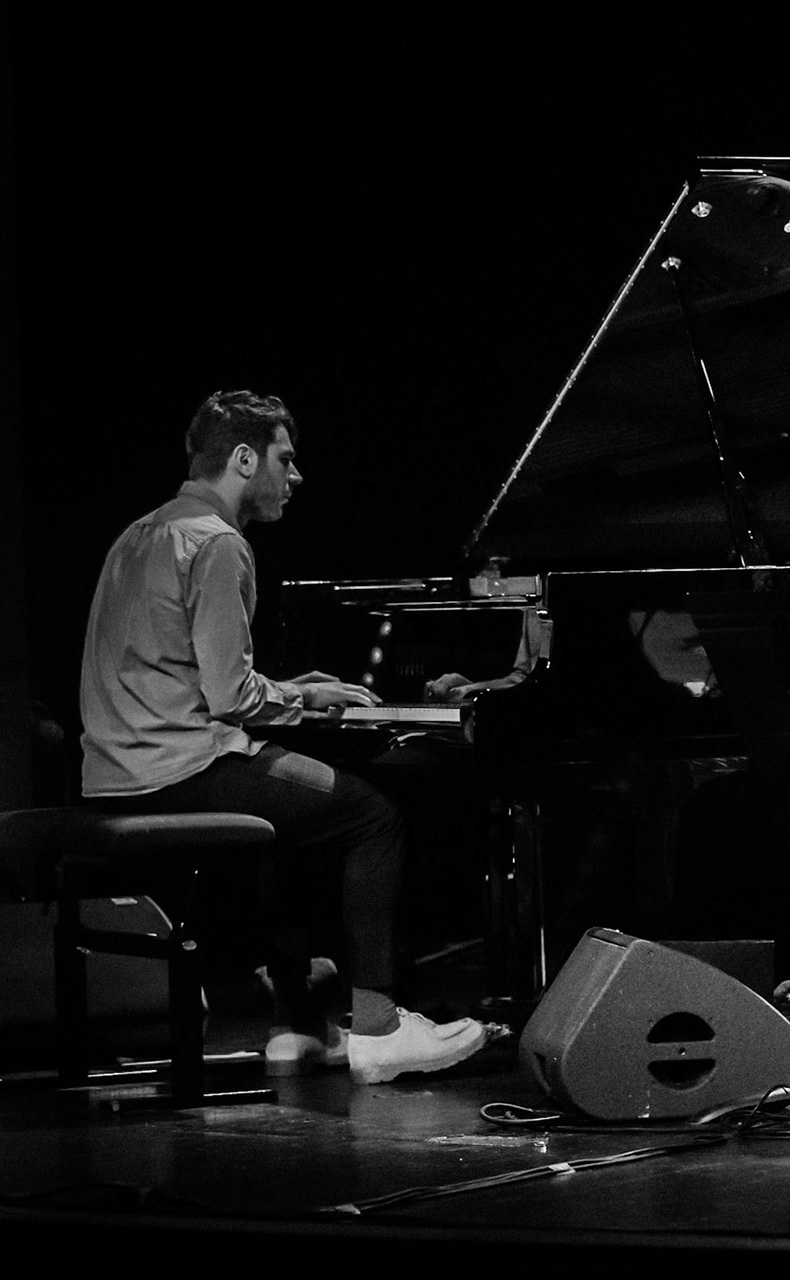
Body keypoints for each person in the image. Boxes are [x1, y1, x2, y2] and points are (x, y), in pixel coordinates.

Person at [78, 390, 487, 1084]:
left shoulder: (140, 532)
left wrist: (292, 687)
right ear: (244, 458)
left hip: (115, 772)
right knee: (369, 815)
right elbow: (231, 697)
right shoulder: (218, 542)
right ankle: (382, 1028)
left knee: (294, 818)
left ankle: (295, 1022)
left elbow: (176, 672)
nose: (295, 478)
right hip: (180, 769)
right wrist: (305, 697)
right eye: (285, 459)